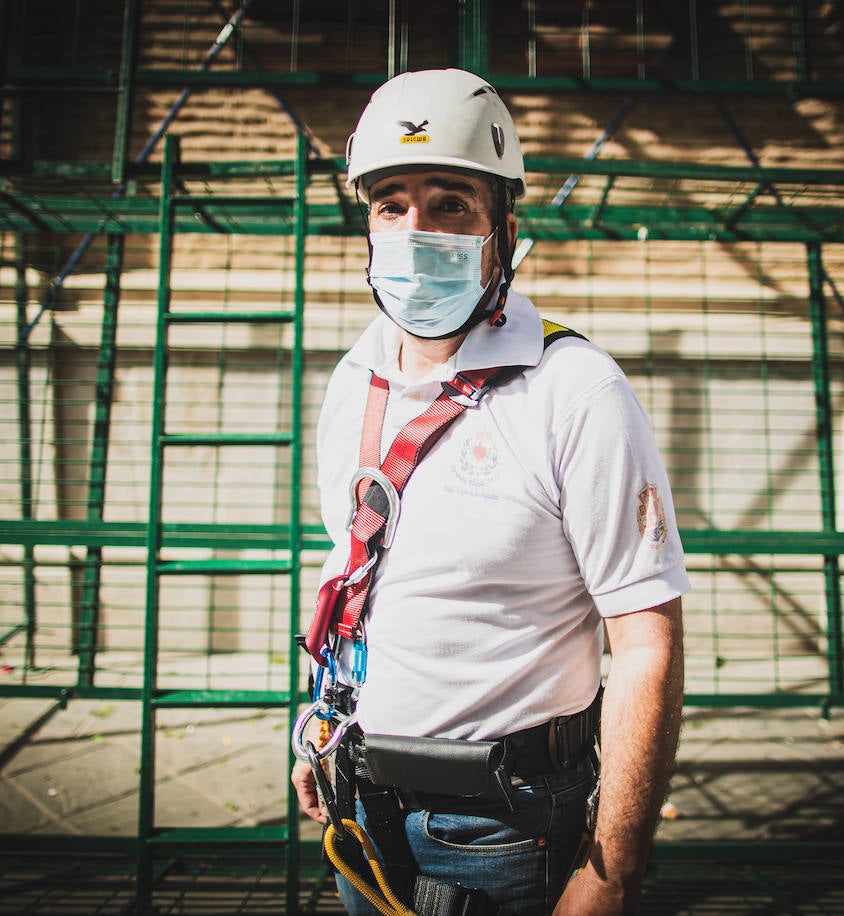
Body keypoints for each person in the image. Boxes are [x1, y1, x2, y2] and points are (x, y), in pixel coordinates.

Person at [291, 68, 688, 916]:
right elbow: (357, 569)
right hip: (360, 805)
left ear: (503, 230)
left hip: (502, 829)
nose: (415, 232)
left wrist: (612, 873)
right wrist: (322, 721)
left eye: (450, 204)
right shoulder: (354, 378)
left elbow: (646, 642)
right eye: (391, 205)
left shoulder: (574, 390)